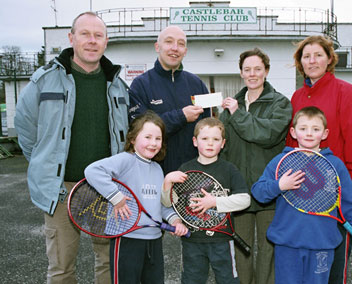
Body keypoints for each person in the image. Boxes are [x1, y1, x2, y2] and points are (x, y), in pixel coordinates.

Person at [14, 12, 129, 284]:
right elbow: (26, 129)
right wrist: (44, 163)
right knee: (62, 268)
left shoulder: (119, 86)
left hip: (106, 189)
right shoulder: (44, 81)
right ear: (71, 38)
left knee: (109, 264)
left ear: (106, 41)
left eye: (98, 35)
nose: (92, 41)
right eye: (85, 34)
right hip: (61, 189)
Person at [286, 35, 352, 284]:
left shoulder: (346, 93)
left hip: (336, 199)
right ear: (300, 62)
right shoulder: (297, 97)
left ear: (329, 59)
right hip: (303, 197)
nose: (312, 60)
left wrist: (351, 196)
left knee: (333, 270)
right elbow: (291, 145)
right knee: (307, 268)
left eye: (318, 55)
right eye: (306, 56)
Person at [252, 106, 352, 284]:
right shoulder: (280, 162)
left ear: (324, 133)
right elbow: (258, 192)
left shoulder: (335, 165)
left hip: (322, 244)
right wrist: (280, 185)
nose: (309, 134)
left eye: (315, 129)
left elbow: (348, 204)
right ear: (293, 132)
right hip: (287, 243)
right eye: (303, 128)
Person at [84, 111, 188, 283]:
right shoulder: (126, 160)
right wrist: (116, 198)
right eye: (147, 137)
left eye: (158, 138)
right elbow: (92, 171)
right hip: (127, 239)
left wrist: (175, 221)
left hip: (154, 240)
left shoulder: (157, 168)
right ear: (132, 139)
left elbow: (160, 205)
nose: (153, 143)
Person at [219, 47, 292, 284]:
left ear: (266, 71)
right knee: (242, 249)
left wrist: (238, 114)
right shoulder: (231, 106)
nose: (252, 74)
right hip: (239, 189)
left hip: (269, 188)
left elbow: (267, 134)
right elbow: (223, 144)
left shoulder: (280, 103)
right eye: (247, 69)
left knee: (269, 249)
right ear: (241, 73)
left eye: (257, 69)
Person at [162, 117, 251, 284]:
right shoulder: (185, 170)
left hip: (222, 240)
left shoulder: (229, 169)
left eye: (216, 139)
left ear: (223, 143)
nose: (210, 143)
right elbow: (168, 203)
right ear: (195, 141)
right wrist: (167, 182)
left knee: (228, 280)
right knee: (191, 280)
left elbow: (244, 200)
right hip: (192, 240)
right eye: (205, 139)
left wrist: (215, 202)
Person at [129, 25, 210, 174]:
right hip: (153, 175)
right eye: (169, 42)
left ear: (185, 51)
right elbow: (139, 131)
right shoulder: (140, 84)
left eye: (181, 44)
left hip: (192, 175)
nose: (175, 48)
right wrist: (181, 116)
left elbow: (208, 132)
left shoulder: (197, 84)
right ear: (157, 46)